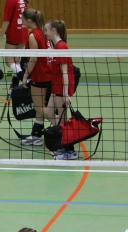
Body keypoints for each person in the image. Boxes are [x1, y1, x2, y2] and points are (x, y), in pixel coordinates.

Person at [44, 20, 77, 161]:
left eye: (46, 30)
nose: (44, 33)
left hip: (62, 88)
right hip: (56, 86)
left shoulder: (61, 47)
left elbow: (65, 72)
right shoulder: (55, 46)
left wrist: (65, 93)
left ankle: (69, 150)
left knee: (63, 120)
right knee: (49, 112)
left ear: (53, 31)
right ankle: (61, 141)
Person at [20, 8, 51, 147]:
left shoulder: (33, 35)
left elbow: (33, 58)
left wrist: (26, 75)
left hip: (39, 75)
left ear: (29, 20)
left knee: (39, 107)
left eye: (23, 19)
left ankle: (63, 127)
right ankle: (36, 135)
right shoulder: (43, 32)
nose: (22, 22)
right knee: (41, 106)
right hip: (47, 73)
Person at [0, 0, 28, 78]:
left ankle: (24, 79)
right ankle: (15, 84)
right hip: (23, 32)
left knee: (9, 61)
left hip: (14, 34)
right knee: (16, 61)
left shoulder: (10, 1)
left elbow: (6, 21)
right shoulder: (23, 1)